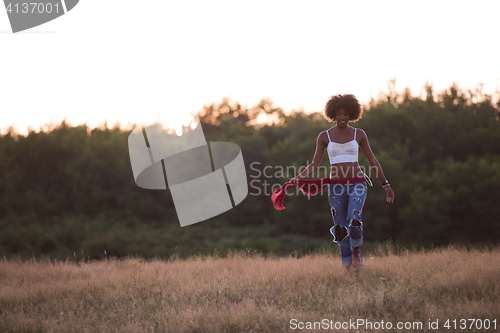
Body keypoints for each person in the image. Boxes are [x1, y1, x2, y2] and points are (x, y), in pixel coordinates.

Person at [289, 94, 395, 271]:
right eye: (338, 113)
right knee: (340, 227)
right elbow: (314, 164)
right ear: (332, 114)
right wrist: (298, 178)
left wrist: (386, 184)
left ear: (352, 114)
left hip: (357, 183)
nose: (342, 117)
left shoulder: (359, 134)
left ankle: (356, 252)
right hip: (336, 187)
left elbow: (373, 161)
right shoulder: (324, 136)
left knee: (354, 218)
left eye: (346, 113)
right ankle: (349, 268)